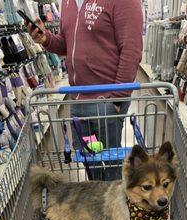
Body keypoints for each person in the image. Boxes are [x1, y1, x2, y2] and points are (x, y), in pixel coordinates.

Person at [27, 0, 143, 180]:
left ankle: (113, 203)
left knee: (111, 161)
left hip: (106, 101)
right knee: (90, 159)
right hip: (78, 100)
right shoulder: (67, 2)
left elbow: (131, 49)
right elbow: (67, 45)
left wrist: (118, 99)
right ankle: (97, 199)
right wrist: (46, 39)